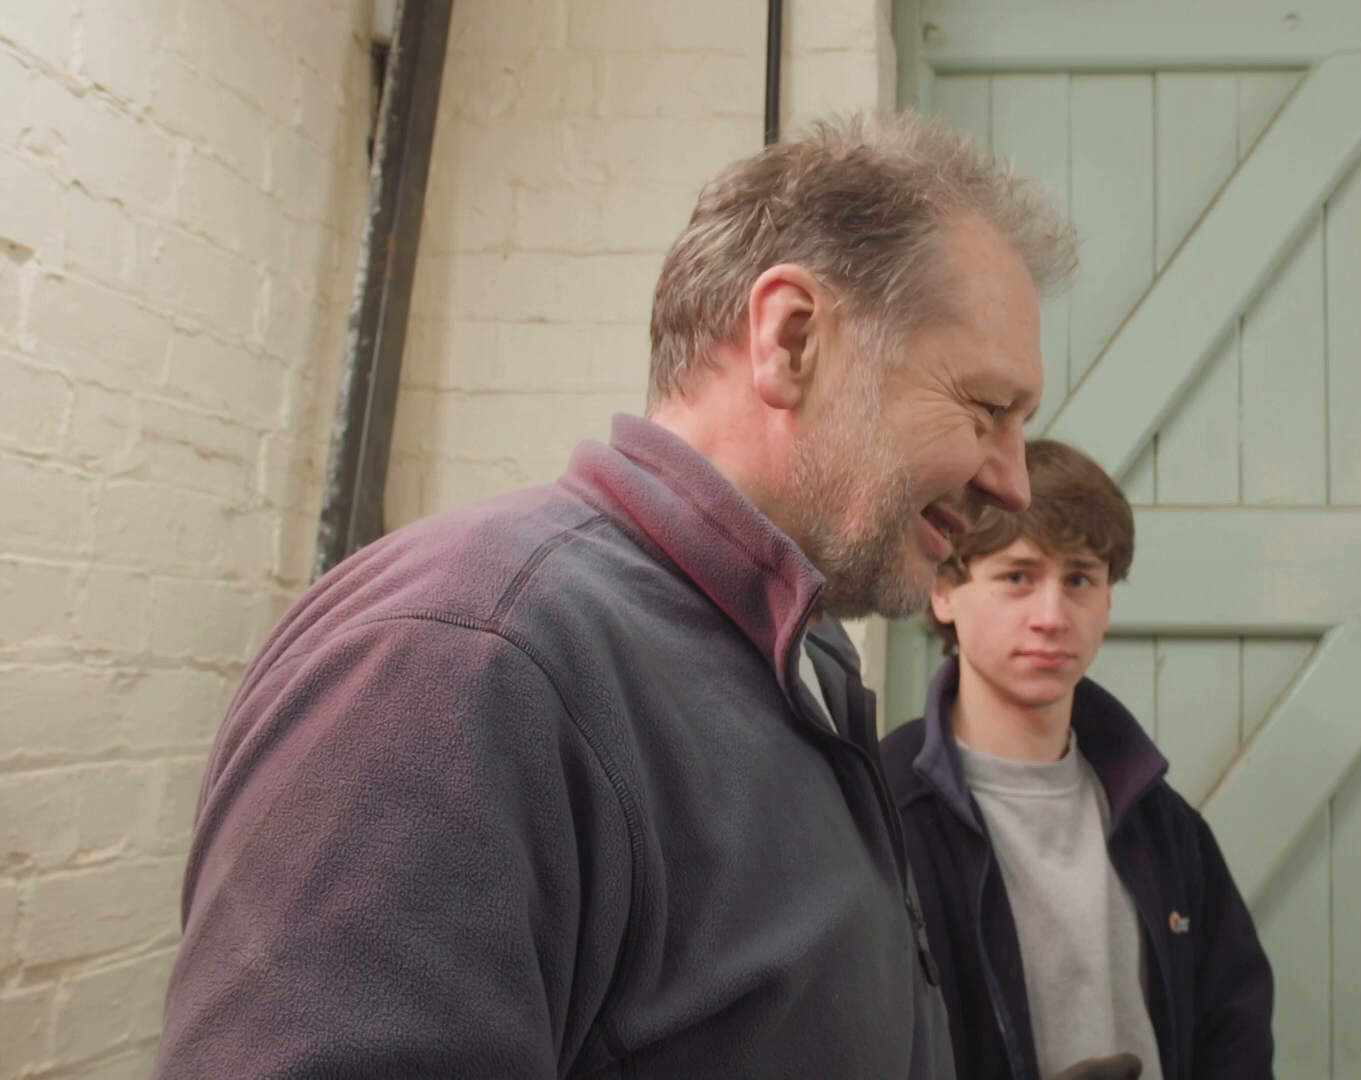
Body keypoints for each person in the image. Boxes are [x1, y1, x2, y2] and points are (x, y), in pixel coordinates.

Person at [153, 113, 1083, 1078]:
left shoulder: (799, 652)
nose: (1015, 483)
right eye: (986, 409)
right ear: (792, 339)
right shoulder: (459, 660)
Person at [880, 439, 1276, 1080]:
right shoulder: (880, 813)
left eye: (1080, 580)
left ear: (1108, 602)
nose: (1052, 616)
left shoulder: (1162, 822)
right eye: (1017, 577)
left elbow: (1234, 1035)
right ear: (943, 591)